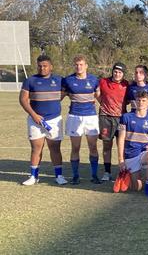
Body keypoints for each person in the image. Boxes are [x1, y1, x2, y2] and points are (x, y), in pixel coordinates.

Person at [19, 55, 67, 186]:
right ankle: (33, 177)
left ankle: (59, 176)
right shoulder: (30, 80)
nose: (42, 68)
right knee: (36, 149)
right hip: (35, 121)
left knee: (55, 148)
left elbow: (66, 92)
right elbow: (23, 99)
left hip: (54, 120)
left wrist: (55, 102)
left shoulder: (59, 80)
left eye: (45, 66)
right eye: (40, 66)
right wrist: (34, 115)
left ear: (51, 66)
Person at [62, 55, 101, 185]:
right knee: (75, 147)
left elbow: (99, 98)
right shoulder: (68, 80)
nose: (79, 67)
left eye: (81, 64)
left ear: (86, 66)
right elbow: (59, 97)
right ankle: (75, 176)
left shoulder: (94, 80)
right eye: (77, 64)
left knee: (93, 147)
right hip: (74, 116)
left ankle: (94, 175)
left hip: (91, 116)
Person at [116, 90, 148, 195]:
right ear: (135, 101)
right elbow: (121, 139)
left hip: (143, 153)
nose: (141, 103)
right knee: (136, 188)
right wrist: (121, 160)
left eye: (144, 101)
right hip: (130, 155)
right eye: (138, 100)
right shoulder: (126, 117)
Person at [98, 62, 129, 182]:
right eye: (115, 71)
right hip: (105, 117)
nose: (117, 74)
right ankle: (107, 172)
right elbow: (97, 94)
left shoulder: (127, 85)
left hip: (121, 118)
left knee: (122, 146)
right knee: (107, 145)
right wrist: (103, 104)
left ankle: (123, 171)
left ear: (123, 74)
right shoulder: (103, 82)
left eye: (120, 72)